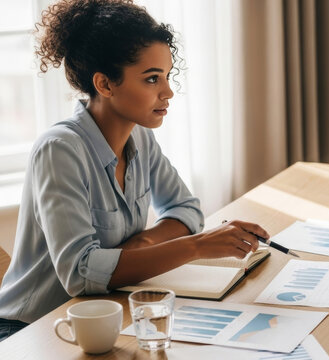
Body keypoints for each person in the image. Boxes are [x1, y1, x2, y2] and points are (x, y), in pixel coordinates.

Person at [0, 0, 269, 342]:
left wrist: (141, 243)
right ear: (105, 84)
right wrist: (196, 247)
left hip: (104, 313)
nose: (168, 92)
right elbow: (81, 274)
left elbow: (186, 210)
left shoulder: (139, 136)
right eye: (152, 79)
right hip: (32, 330)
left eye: (167, 76)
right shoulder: (60, 149)